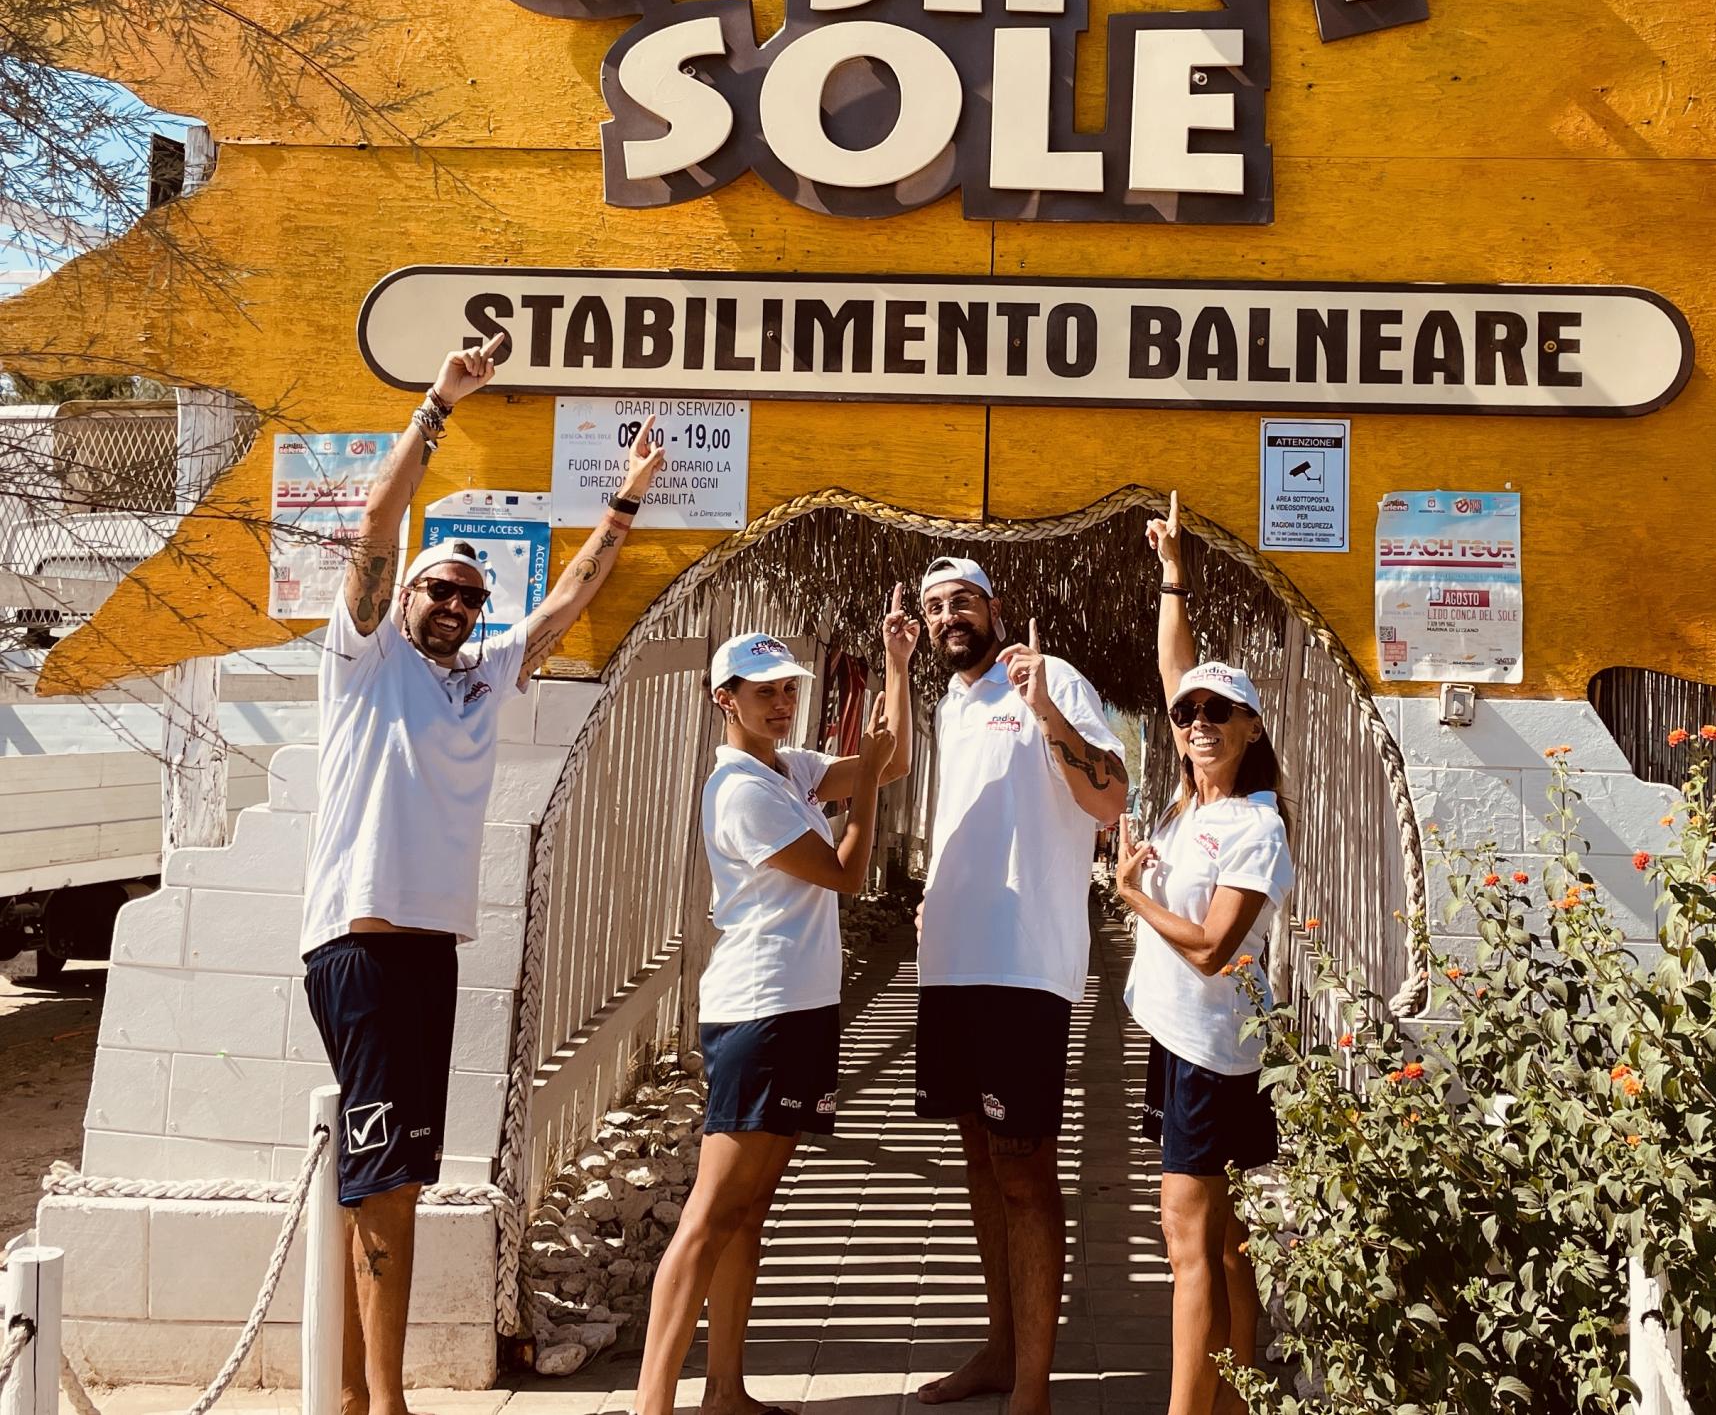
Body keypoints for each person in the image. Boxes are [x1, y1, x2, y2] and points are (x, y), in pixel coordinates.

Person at [299, 336, 664, 1415]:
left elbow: (562, 608)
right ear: (404, 594)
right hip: (363, 946)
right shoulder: (364, 661)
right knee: (387, 1183)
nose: (456, 606)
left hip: (430, 952)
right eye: (440, 590)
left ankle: (359, 1396)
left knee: (395, 1176)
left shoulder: (479, 680)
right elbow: (376, 525)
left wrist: (626, 502)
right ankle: (386, 1402)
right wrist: (438, 403)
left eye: (470, 596)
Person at [635, 590, 918, 1415]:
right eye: (764, 691)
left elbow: (890, 761)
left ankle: (725, 1391)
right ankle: (652, 1402)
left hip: (796, 1006)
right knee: (712, 1212)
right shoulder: (741, 790)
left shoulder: (786, 769)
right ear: (725, 698)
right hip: (760, 1009)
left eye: (789, 688)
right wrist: (865, 788)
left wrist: (896, 665)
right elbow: (847, 873)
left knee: (749, 1209)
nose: (782, 701)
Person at [912, 556, 1127, 1415]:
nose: (947, 616)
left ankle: (1030, 1390)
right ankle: (1000, 1352)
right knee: (979, 1159)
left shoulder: (1049, 678)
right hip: (951, 962)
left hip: (1022, 963)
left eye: (961, 600)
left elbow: (1108, 799)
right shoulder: (949, 701)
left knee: (1024, 1169)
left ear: (994, 607)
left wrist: (1044, 711)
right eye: (934, 606)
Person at [1114, 492, 1295, 1415]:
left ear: (1251, 727)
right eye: (1189, 713)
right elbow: (1172, 667)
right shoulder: (1195, 799)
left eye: (1222, 711)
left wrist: (1133, 895)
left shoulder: (1252, 826)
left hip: (1209, 1054)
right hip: (1187, 1043)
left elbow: (1215, 950)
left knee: (1185, 1246)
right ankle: (1239, 1397)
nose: (1199, 721)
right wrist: (1173, 575)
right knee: (1222, 1242)